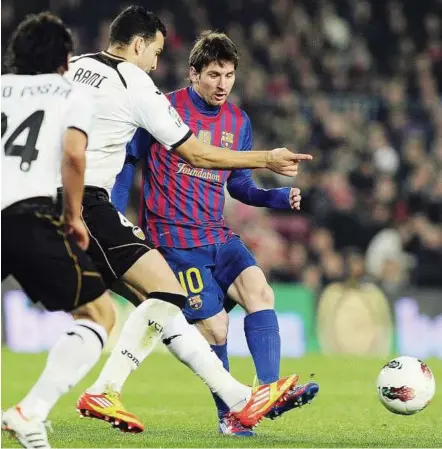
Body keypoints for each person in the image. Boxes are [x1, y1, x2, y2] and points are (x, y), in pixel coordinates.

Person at [62, 5, 311, 434]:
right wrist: (115, 215)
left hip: (217, 234)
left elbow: (238, 185)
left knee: (259, 290)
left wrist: (273, 196)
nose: (222, 84)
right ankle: (231, 416)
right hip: (174, 240)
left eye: (229, 75)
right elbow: (128, 164)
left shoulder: (239, 121)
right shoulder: (157, 104)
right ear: (193, 73)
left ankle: (267, 392)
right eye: (213, 74)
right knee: (214, 327)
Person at [1, 12, 116, 448]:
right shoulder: (72, 93)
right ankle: (30, 412)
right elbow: (73, 155)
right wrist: (73, 216)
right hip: (28, 216)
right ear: (65, 58)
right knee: (99, 314)